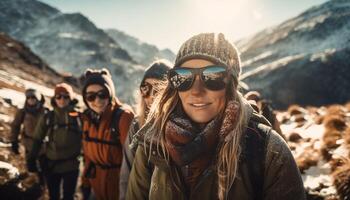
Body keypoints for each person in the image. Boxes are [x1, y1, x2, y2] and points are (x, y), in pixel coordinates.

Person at [126, 33, 305, 200]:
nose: (196, 91)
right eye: (183, 77)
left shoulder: (267, 150)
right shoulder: (154, 144)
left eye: (212, 77)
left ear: (231, 85)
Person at [119, 59, 172, 200]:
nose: (150, 95)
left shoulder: (180, 127)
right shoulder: (137, 124)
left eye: (158, 89)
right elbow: (127, 171)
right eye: (145, 88)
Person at [80, 68, 134, 200]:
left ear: (110, 94)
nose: (97, 101)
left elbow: (133, 161)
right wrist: (85, 184)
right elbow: (88, 156)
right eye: (91, 96)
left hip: (118, 190)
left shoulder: (123, 117)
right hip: (96, 188)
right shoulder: (88, 118)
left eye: (102, 94)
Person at [27, 83, 82, 200]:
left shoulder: (79, 117)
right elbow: (38, 138)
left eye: (66, 96)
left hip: (71, 166)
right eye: (58, 96)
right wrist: (31, 158)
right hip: (52, 165)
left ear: (71, 98)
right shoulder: (48, 116)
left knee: (69, 197)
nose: (62, 100)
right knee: (54, 196)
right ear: (54, 98)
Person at [10, 88, 47, 185]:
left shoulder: (45, 111)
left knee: (44, 167)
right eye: (28, 97)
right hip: (29, 144)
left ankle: (43, 185)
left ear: (38, 99)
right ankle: (34, 181)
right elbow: (15, 126)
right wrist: (14, 141)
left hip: (44, 145)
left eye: (33, 97)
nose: (31, 99)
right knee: (31, 165)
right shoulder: (22, 112)